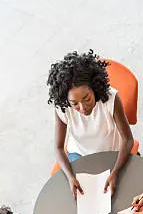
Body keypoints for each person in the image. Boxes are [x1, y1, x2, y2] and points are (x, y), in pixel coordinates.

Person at [47, 50, 134, 199]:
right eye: (74, 103)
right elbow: (59, 147)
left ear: (94, 88)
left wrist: (115, 172)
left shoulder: (110, 99)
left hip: (111, 154)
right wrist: (70, 176)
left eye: (87, 98)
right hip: (80, 155)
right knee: (79, 199)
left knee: (118, 198)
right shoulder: (62, 108)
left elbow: (128, 140)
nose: (82, 107)